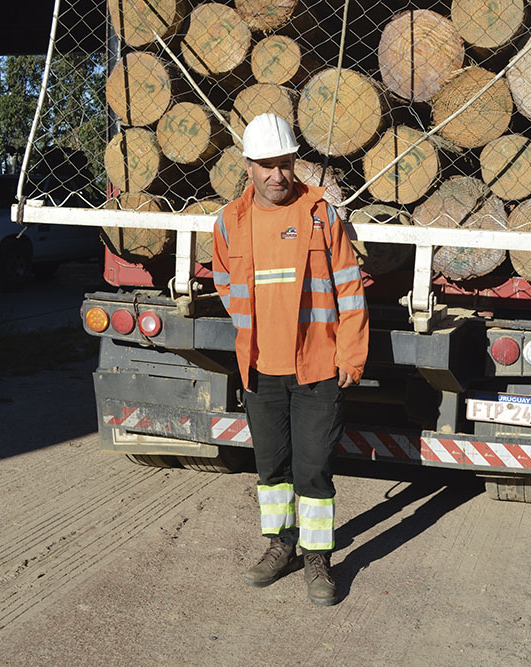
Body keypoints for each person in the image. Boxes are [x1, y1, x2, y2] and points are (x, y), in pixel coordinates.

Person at [212, 113, 369, 606]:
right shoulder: (229, 222)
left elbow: (349, 287)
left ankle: (318, 556)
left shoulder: (321, 214)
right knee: (271, 467)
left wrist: (351, 353)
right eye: (266, 166)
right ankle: (280, 547)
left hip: (318, 367)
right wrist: (249, 337)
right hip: (260, 368)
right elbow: (223, 283)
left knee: (314, 468)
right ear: (248, 166)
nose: (277, 175)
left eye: (285, 164)